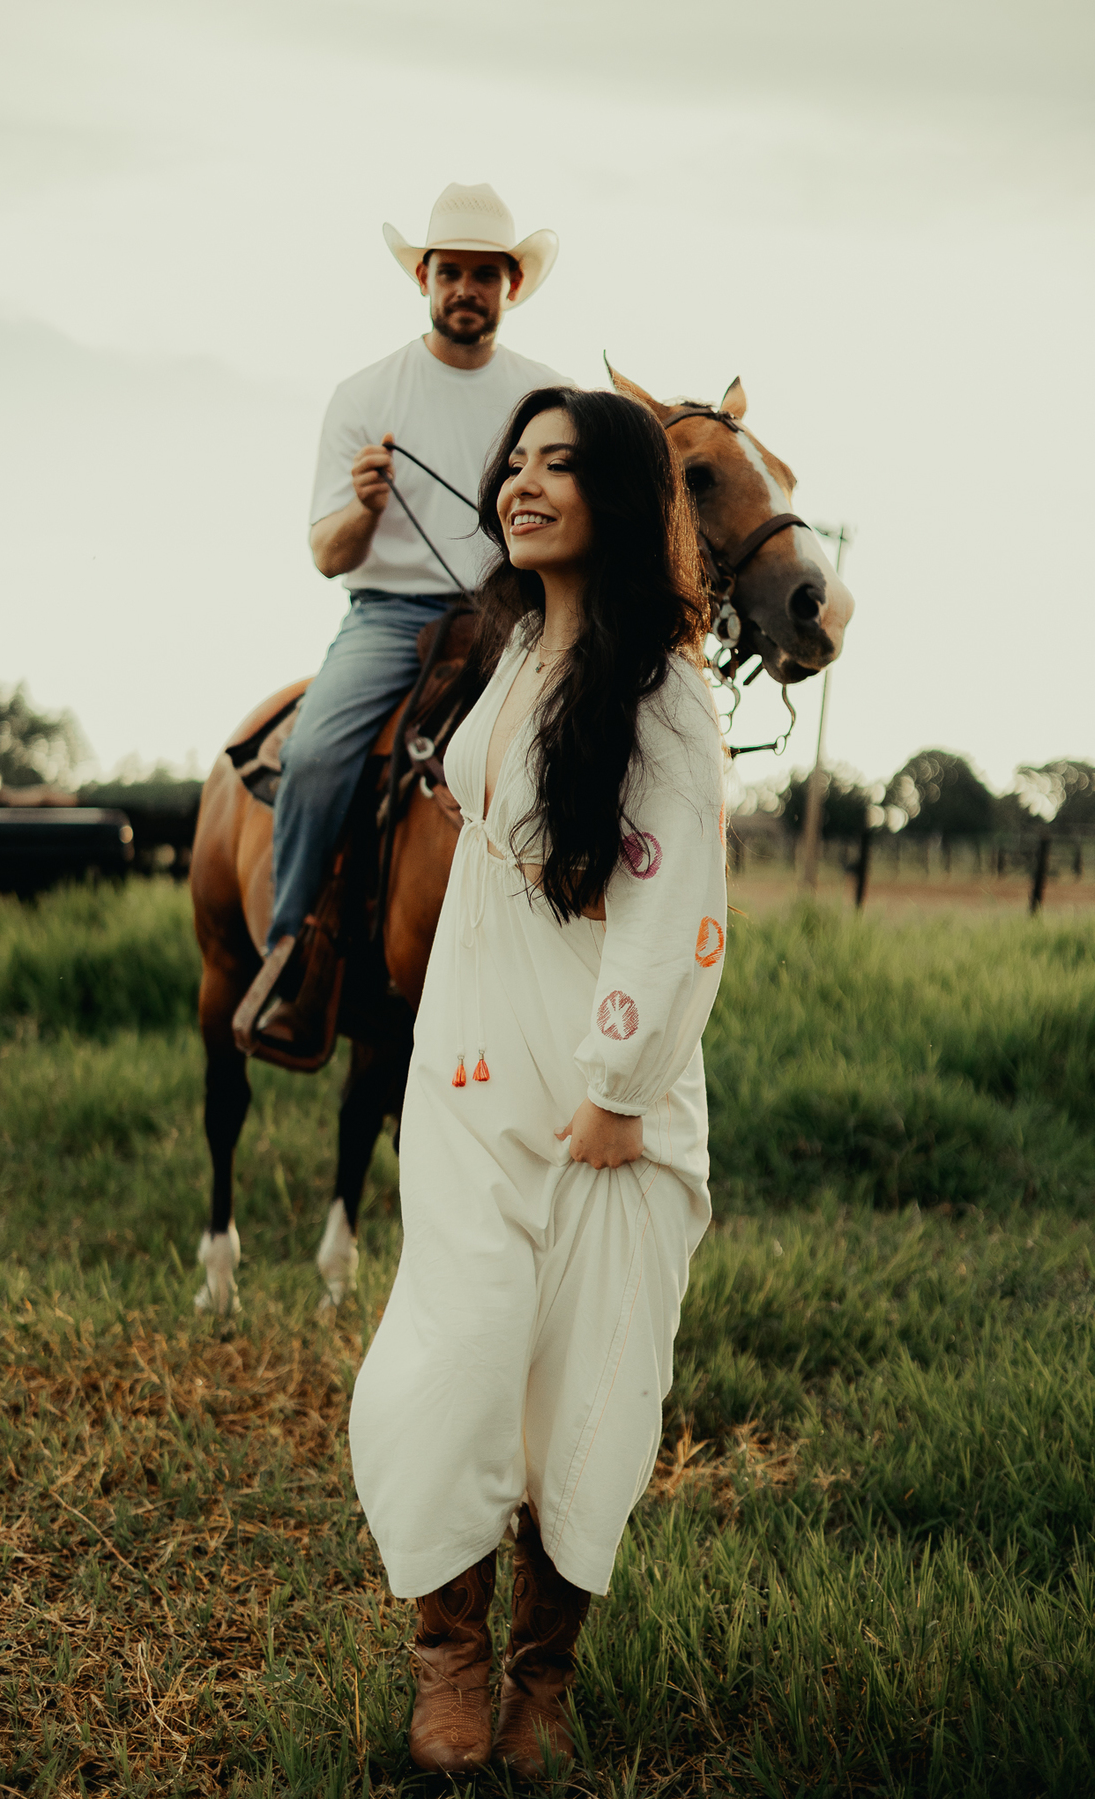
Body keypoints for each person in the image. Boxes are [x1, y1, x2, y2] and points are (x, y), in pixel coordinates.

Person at [348, 386, 729, 1776]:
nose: (522, 482)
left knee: (584, 1376)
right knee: (455, 1345)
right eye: (515, 461)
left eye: (557, 464)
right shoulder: (512, 648)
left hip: (597, 1088)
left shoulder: (664, 690)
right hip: (468, 1066)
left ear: (615, 495)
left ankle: (539, 1682)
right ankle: (446, 1657)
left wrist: (619, 1083)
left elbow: (678, 901)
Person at [252, 182, 569, 1048]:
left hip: (518, 614)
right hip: (391, 617)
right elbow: (328, 554)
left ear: (511, 286)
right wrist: (362, 507)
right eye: (450, 272)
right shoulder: (366, 394)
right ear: (423, 277)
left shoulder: (550, 398)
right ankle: (291, 956)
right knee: (316, 752)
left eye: (485, 274)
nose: (466, 288)